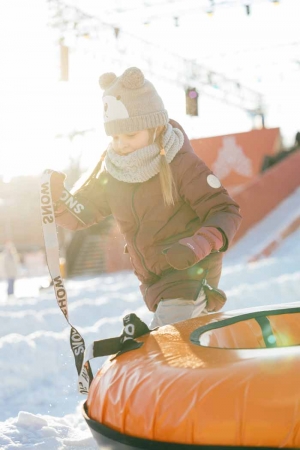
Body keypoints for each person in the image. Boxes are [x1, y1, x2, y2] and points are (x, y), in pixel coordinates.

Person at [50, 67, 242, 327]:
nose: (121, 143)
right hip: (154, 281)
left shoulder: (180, 163)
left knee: (166, 341)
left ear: (155, 128)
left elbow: (225, 211)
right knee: (185, 344)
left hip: (191, 274)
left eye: (130, 134)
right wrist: (57, 202)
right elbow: (82, 212)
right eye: (115, 136)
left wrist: (196, 246)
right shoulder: (115, 171)